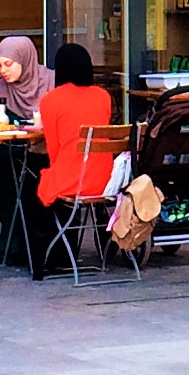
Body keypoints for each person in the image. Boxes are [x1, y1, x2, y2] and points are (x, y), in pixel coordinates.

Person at [27, 43, 116, 281]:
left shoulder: (51, 100)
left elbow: (54, 151)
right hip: (104, 180)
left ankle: (42, 260)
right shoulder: (103, 97)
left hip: (72, 180)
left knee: (36, 187)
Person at [0, 35, 54, 267]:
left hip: (47, 154)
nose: (3, 71)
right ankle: (14, 245)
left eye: (8, 64)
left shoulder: (51, 82)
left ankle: (41, 247)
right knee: (6, 170)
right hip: (12, 155)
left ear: (25, 60)